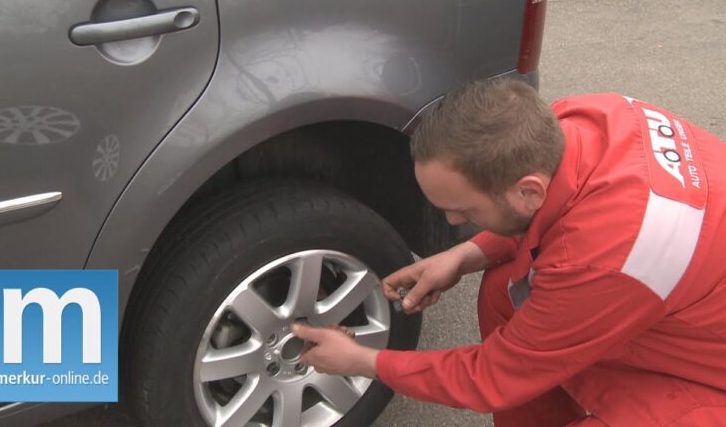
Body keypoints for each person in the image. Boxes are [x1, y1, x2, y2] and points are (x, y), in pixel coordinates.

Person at [291, 78, 726, 426]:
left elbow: (491, 377)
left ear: (527, 190)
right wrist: (463, 257)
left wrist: (364, 361)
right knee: (509, 290)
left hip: (710, 381)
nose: (453, 224)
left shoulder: (608, 254)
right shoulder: (580, 120)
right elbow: (552, 211)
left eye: (462, 210)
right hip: (686, 315)